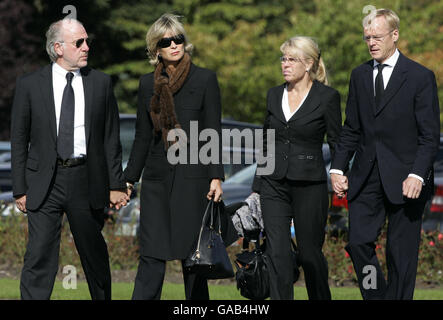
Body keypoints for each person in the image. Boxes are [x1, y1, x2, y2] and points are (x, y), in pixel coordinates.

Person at [10, 18, 129, 300]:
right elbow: (19, 139)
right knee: (39, 253)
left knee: (94, 254)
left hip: (86, 179)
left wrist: (116, 184)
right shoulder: (29, 85)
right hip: (43, 182)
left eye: (87, 41)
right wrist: (20, 188)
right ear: (58, 47)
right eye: (79, 42)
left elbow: (111, 140)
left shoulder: (100, 83)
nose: (87, 47)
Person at [330, 8, 440, 300]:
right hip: (366, 177)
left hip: (408, 180)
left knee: (400, 254)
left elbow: (429, 136)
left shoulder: (419, 77)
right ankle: (377, 296)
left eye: (377, 36)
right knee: (358, 243)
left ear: (394, 35)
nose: (371, 43)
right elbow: (351, 127)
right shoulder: (359, 76)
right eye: (367, 37)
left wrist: (417, 174)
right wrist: (337, 168)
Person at [123, 13, 224, 300]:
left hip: (193, 179)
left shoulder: (205, 79)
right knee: (151, 254)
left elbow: (212, 131)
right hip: (156, 180)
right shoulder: (147, 85)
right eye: (166, 41)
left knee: (193, 257)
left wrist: (216, 176)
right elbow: (143, 137)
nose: (174, 45)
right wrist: (129, 180)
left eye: (178, 39)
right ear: (156, 49)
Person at [252, 36, 342, 300]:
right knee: (277, 253)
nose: (285, 65)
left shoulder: (327, 98)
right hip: (273, 185)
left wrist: (339, 172)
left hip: (310, 184)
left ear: (309, 63)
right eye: (283, 59)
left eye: (292, 59)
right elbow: (266, 142)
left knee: (309, 254)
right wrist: (256, 188)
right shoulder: (273, 95)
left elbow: (337, 141)